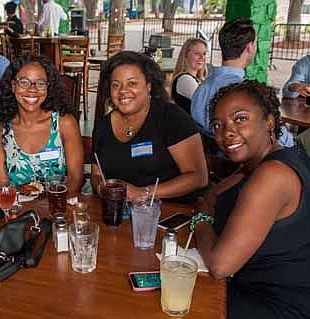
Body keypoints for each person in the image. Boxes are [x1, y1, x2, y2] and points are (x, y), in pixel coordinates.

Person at [194, 80, 310, 319]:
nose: (227, 133)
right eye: (218, 125)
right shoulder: (262, 162)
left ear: (269, 121)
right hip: (252, 291)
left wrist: (199, 221)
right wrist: (207, 203)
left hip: (277, 314)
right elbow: (212, 194)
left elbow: (221, 265)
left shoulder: (272, 176)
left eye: (240, 119)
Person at [91, 51, 208, 202]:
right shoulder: (103, 127)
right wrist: (101, 187)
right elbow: (96, 173)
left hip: (170, 212)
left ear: (148, 86)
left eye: (132, 83)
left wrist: (143, 193)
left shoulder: (171, 118)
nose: (123, 91)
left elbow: (199, 177)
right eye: (116, 85)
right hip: (121, 214)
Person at [191, 18, 294, 148]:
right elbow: (280, 137)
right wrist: (293, 144)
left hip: (214, 161)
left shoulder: (200, 89)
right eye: (256, 43)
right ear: (250, 47)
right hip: (249, 163)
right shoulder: (247, 94)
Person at [0, 55, 83, 195]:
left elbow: (75, 179)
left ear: (48, 87)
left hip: (58, 207)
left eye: (40, 83)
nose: (32, 89)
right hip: (19, 211)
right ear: (13, 86)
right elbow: (3, 187)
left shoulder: (64, 123)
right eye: (24, 82)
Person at [171, 38, 207, 114]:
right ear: (185, 55)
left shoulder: (198, 79)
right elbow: (206, 104)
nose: (202, 57)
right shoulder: (185, 79)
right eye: (197, 53)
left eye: (204, 53)